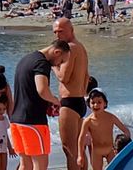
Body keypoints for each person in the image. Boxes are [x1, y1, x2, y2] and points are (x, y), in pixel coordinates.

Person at [9, 39, 70, 170]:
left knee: (25, 164)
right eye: (62, 60)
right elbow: (42, 89)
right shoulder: (42, 63)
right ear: (57, 52)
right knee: (40, 164)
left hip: (16, 120)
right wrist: (55, 101)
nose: (59, 64)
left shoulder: (26, 59)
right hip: (33, 121)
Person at [52, 18, 90, 170]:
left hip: (69, 102)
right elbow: (87, 76)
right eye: (55, 32)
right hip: (80, 100)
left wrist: (53, 64)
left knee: (69, 150)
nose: (57, 35)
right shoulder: (80, 47)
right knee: (79, 149)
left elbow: (63, 77)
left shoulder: (70, 48)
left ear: (71, 29)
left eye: (61, 31)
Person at [76, 90, 129, 170]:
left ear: (105, 104)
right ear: (88, 104)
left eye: (99, 102)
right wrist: (80, 156)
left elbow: (125, 130)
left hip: (110, 150)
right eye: (93, 103)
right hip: (96, 152)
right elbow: (81, 138)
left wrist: (126, 145)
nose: (96, 105)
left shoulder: (110, 117)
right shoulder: (88, 121)